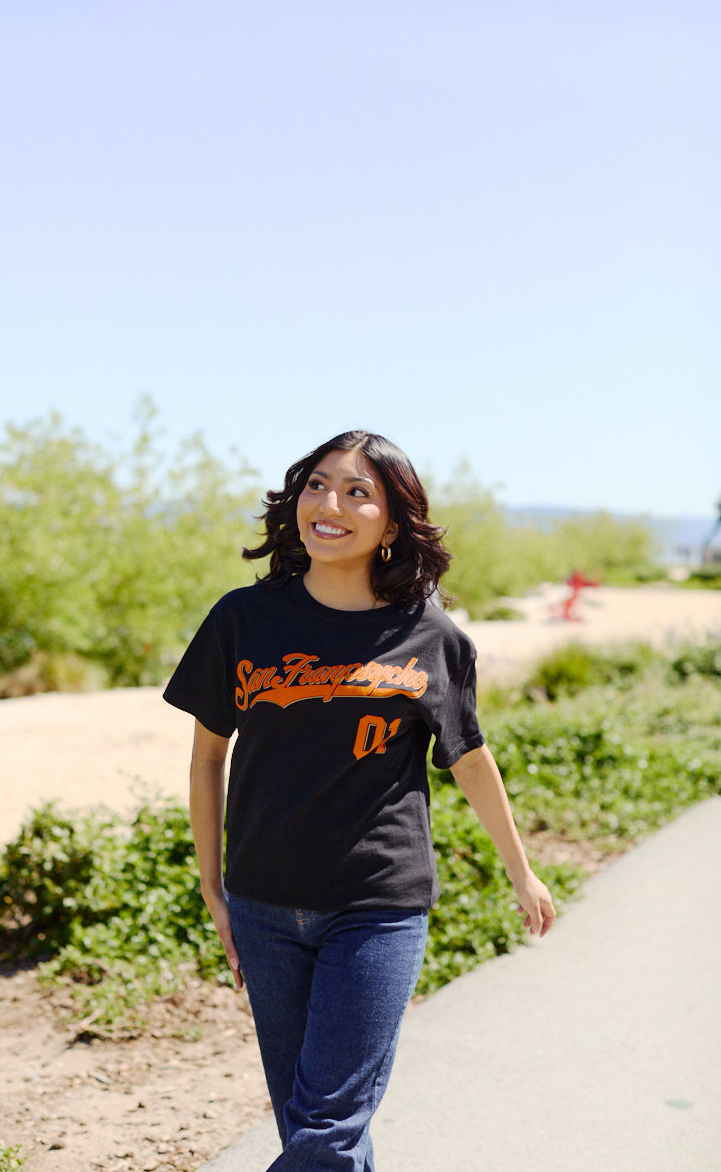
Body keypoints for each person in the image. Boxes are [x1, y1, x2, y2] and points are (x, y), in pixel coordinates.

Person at [163, 430, 555, 1172]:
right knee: (310, 1128)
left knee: (326, 1130)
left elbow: (469, 757)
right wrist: (212, 886)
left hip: (377, 907)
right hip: (263, 906)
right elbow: (208, 758)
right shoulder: (242, 620)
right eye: (317, 485)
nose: (330, 505)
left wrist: (521, 870)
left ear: (393, 523)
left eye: (357, 492)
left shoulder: (430, 636)